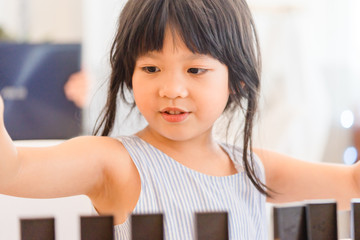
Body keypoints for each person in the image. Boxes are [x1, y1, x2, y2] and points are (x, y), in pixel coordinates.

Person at [0, 0, 359, 239]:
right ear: (130, 76)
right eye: (151, 68)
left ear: (237, 80)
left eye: (196, 69)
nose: (171, 89)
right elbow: (11, 171)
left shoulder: (252, 168)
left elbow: (352, 183)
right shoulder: (115, 162)